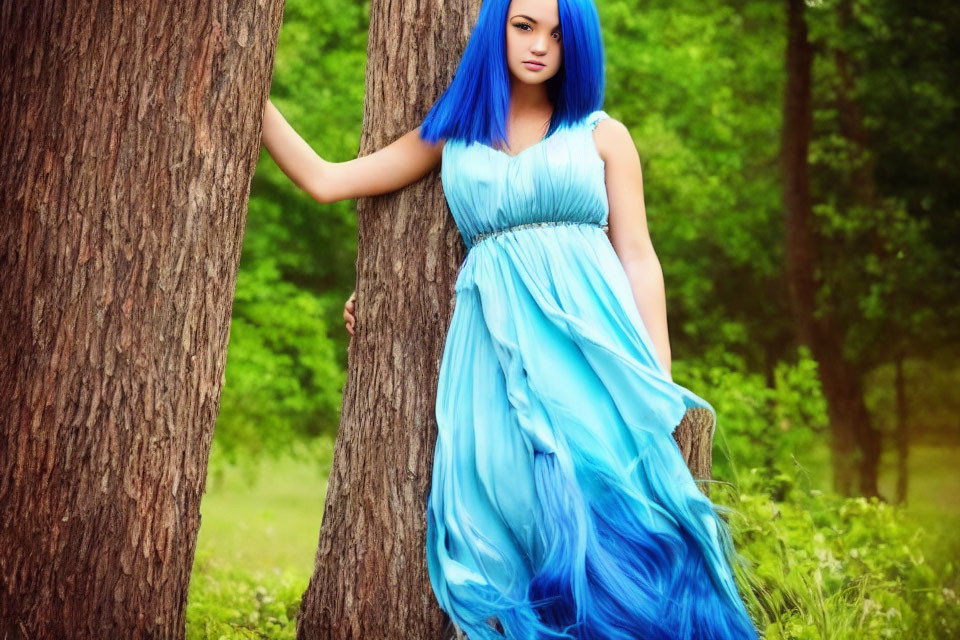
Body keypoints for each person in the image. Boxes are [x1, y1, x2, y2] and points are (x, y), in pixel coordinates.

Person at [263, 0, 760, 637]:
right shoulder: (454, 132)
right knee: (511, 509)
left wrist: (654, 376)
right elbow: (328, 180)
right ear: (497, 28)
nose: (539, 46)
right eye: (524, 26)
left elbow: (639, 256)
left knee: (622, 516)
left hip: (592, 347)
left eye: (556, 34)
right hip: (494, 354)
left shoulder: (602, 134)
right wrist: (251, 92)